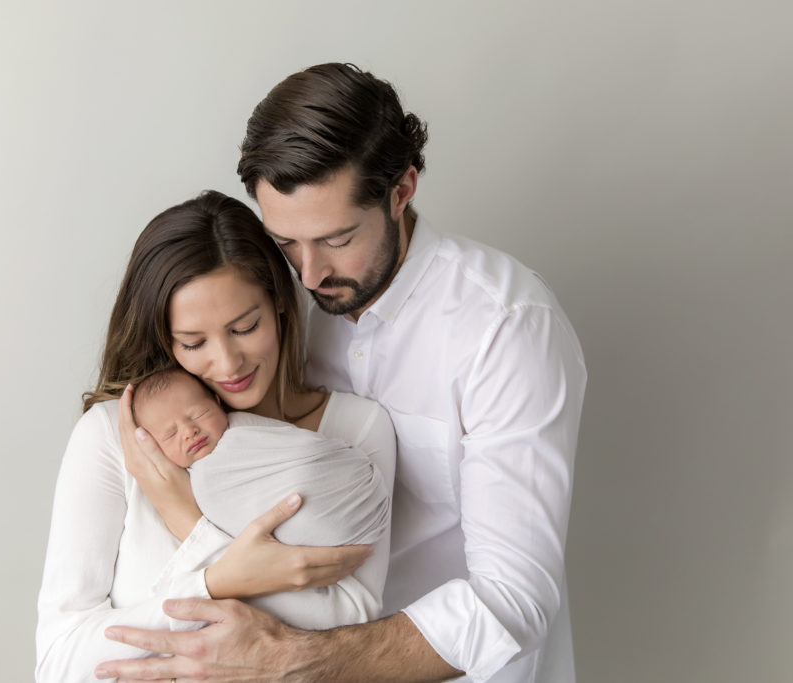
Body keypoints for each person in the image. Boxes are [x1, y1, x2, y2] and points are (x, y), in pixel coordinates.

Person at [97, 63, 587, 683]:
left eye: (337, 238)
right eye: (286, 244)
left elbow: (515, 599)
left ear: (402, 190)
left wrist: (294, 661)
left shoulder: (506, 327)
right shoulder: (272, 312)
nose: (308, 274)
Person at [35, 190, 396, 682]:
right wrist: (218, 580)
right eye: (194, 342)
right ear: (165, 339)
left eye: (245, 327)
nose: (228, 364)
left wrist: (189, 521)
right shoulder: (117, 437)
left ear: (280, 305)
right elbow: (60, 663)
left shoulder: (357, 430)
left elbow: (351, 617)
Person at [131, 366, 391, 629]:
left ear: (218, 404)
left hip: (351, 489)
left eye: (198, 414)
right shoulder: (188, 482)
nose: (189, 431)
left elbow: (299, 446)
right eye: (170, 434)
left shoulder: (243, 430)